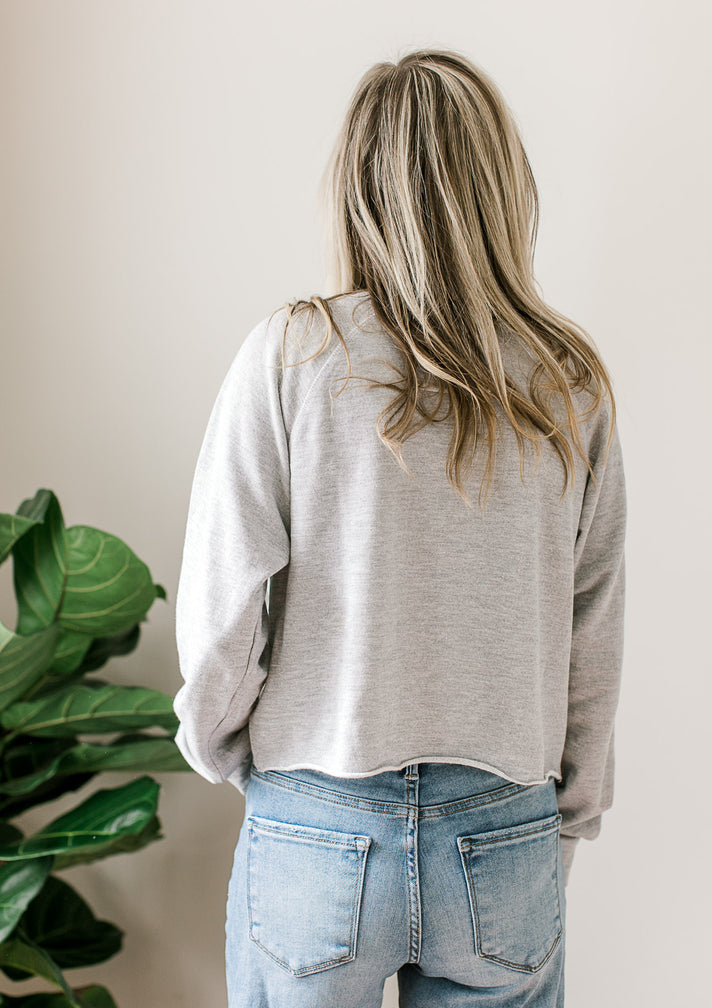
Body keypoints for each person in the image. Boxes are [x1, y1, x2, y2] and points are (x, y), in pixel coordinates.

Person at [173, 47, 627, 1008]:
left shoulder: (293, 355)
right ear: (503, 188)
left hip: (315, 816)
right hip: (504, 828)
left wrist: (222, 748)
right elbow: (593, 620)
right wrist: (568, 809)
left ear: (356, 187)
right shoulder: (567, 383)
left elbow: (227, 604)